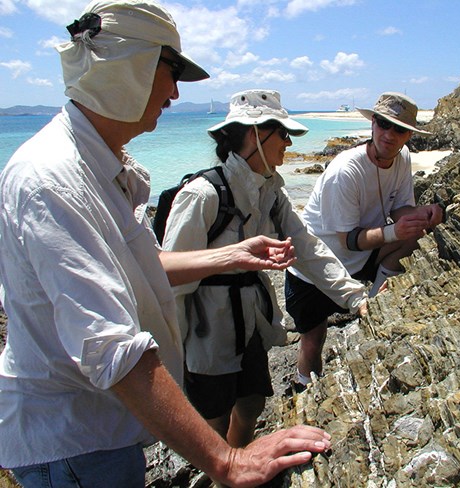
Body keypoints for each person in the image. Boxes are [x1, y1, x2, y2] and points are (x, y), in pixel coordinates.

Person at [0, 2, 330, 487]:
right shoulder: (54, 180)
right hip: (74, 443)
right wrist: (227, 461)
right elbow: (109, 347)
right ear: (127, 64)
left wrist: (230, 256)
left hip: (103, 431)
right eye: (170, 70)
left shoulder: (98, 167)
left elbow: (138, 265)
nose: (175, 94)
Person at [162, 89, 368, 445]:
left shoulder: (272, 192)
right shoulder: (202, 195)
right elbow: (168, 278)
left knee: (253, 403)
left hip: (251, 318)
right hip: (205, 331)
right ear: (255, 134)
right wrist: (173, 355)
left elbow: (307, 247)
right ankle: (224, 471)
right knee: (213, 420)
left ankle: (236, 462)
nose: (288, 143)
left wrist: (355, 297)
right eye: (284, 134)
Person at [285, 92, 444, 387]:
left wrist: (421, 215)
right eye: (383, 124)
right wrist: (396, 230)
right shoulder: (347, 171)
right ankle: (303, 385)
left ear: (409, 134)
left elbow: (400, 208)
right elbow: (348, 241)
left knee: (415, 236)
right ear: (373, 123)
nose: (389, 134)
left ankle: (370, 311)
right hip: (317, 266)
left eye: (399, 129)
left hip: (361, 252)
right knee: (313, 337)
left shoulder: (402, 158)